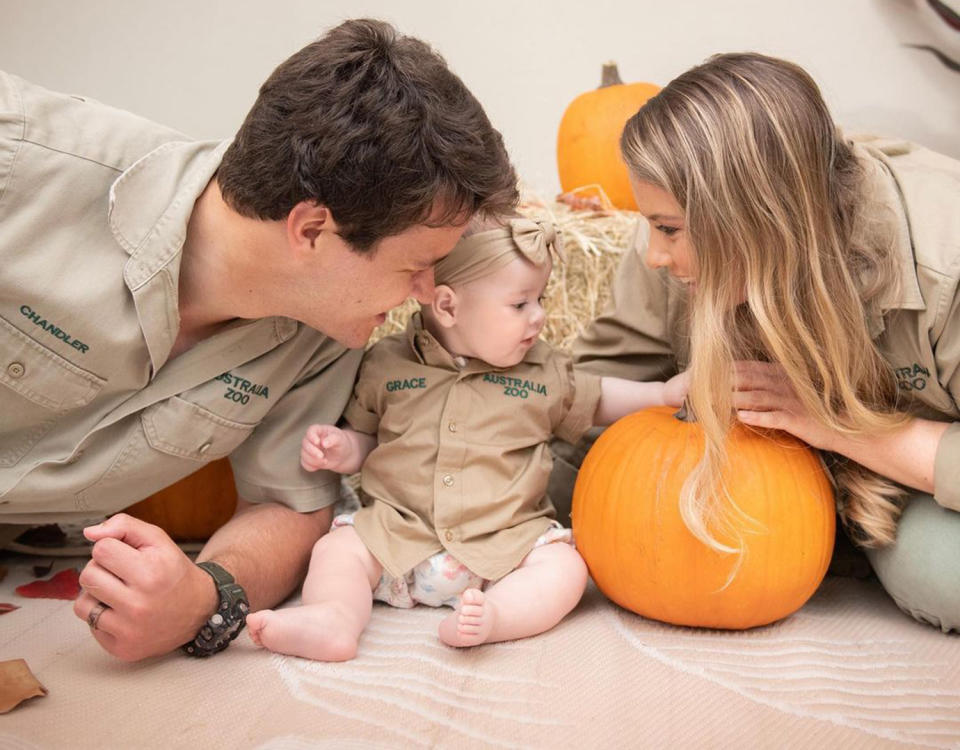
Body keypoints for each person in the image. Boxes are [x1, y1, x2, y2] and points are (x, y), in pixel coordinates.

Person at [0, 18, 520, 661]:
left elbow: (288, 505)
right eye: (413, 266)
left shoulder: (332, 333)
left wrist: (206, 597)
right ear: (311, 230)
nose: (425, 293)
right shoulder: (19, 160)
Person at [551, 52, 960, 632]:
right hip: (781, 487)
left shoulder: (946, 261)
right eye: (650, 224)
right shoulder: (669, 251)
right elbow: (591, 389)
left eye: (668, 229)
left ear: (753, 222)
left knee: (944, 577)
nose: (653, 253)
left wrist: (838, 424)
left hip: (905, 466)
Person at [245, 216, 687, 660]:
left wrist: (662, 393)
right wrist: (343, 450)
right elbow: (369, 440)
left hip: (504, 544)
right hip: (398, 536)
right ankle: (334, 618)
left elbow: (600, 398)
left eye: (541, 298)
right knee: (336, 550)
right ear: (448, 306)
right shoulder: (387, 364)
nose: (539, 316)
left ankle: (496, 616)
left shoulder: (544, 372)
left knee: (564, 568)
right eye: (520, 304)